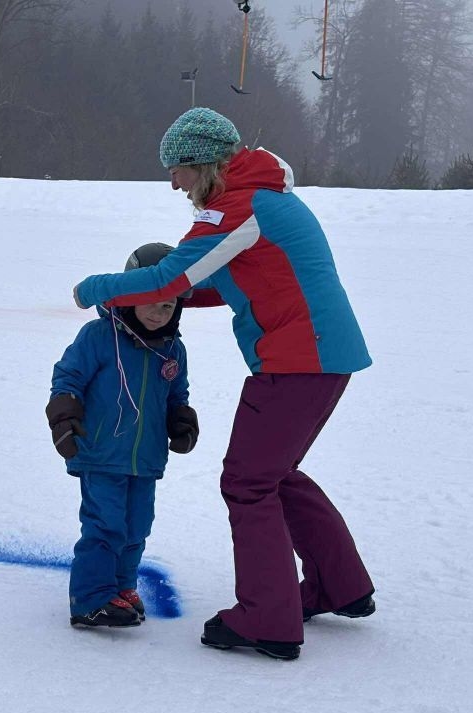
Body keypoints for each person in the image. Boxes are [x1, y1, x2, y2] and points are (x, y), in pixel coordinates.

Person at [72, 107, 374, 659]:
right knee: (275, 474)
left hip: (298, 359)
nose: (174, 184)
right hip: (323, 355)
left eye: (177, 171)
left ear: (202, 163)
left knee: (248, 483)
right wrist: (166, 298)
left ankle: (267, 619)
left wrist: (96, 288)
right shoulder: (263, 197)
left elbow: (170, 276)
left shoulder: (239, 204)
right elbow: (220, 284)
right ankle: (338, 585)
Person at [49, 244, 200, 628]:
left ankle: (121, 586)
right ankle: (91, 598)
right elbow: (68, 378)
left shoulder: (173, 350)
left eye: (168, 305)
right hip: (101, 451)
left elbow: (177, 395)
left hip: (146, 458)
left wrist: (181, 421)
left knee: (136, 527)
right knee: (105, 525)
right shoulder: (99, 336)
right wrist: (64, 417)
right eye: (150, 301)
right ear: (128, 295)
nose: (158, 313)